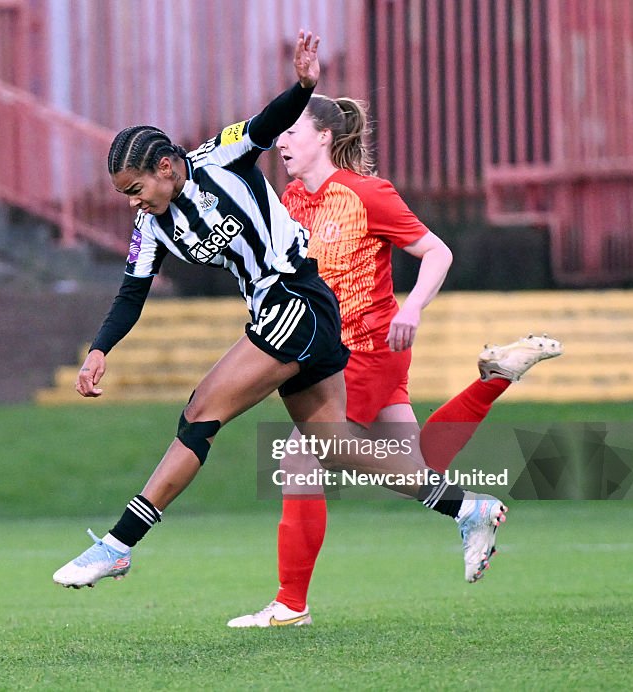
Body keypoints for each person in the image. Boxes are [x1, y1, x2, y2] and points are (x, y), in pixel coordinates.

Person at [52, 31, 508, 593]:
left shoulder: (219, 157)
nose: (132, 201)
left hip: (296, 298)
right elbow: (130, 295)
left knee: (200, 415)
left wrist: (305, 85)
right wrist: (100, 350)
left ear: (167, 166)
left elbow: (268, 121)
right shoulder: (150, 224)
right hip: (289, 312)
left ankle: (118, 545)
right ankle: (467, 509)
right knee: (337, 449)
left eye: (136, 187)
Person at [226, 95, 563, 627]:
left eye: (292, 131)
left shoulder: (367, 194)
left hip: (365, 350)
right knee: (416, 462)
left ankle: (291, 604)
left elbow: (437, 252)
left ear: (323, 138)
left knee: (301, 456)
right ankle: (493, 383)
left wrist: (414, 307)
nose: (282, 140)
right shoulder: (290, 199)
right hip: (329, 354)